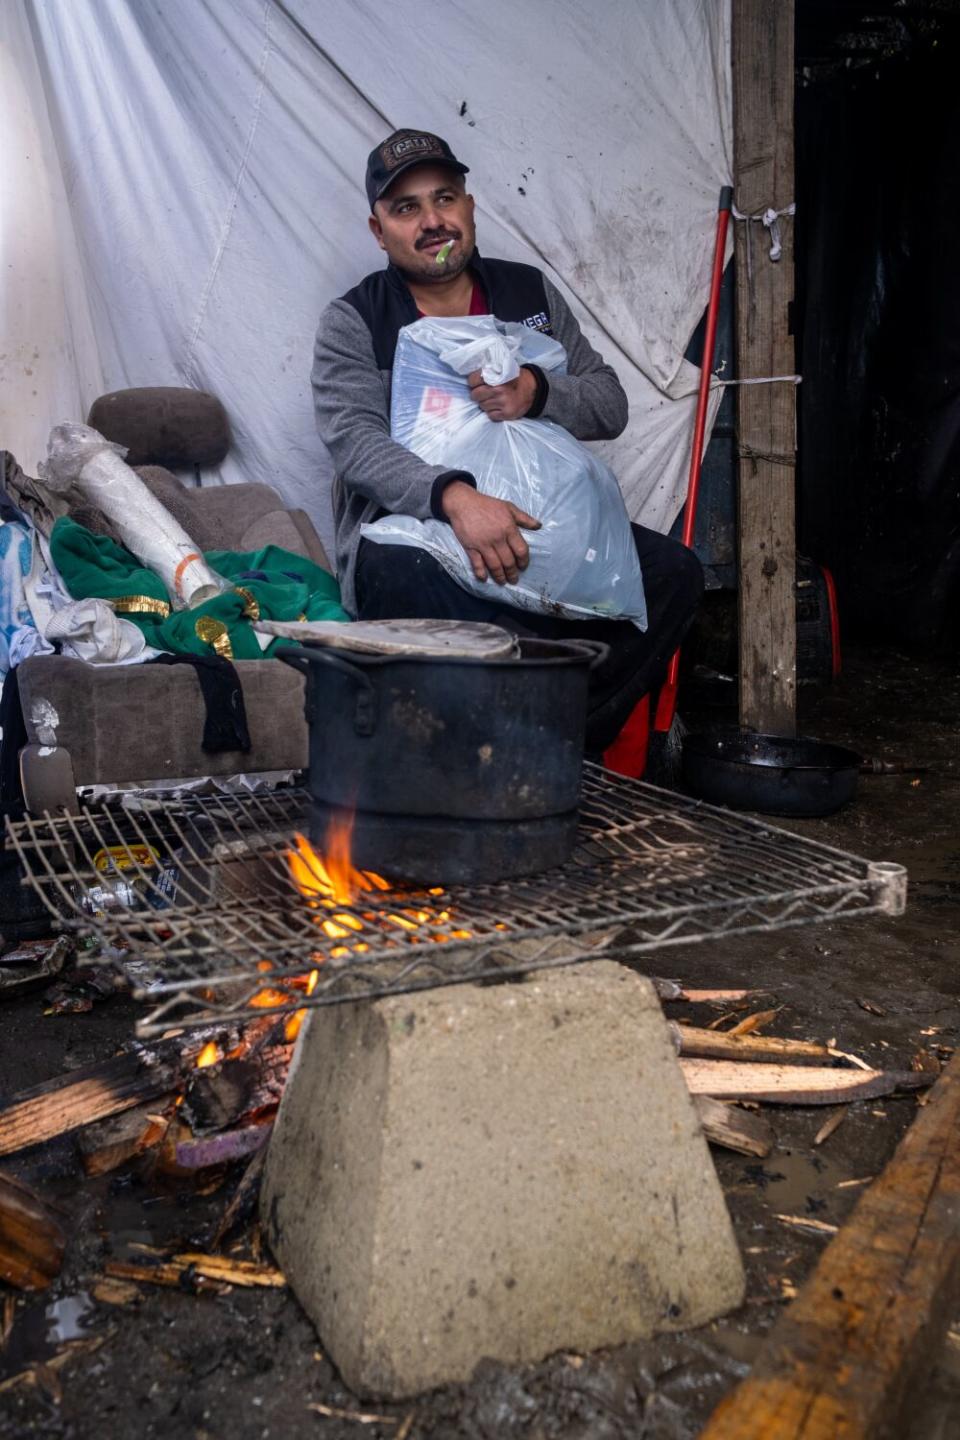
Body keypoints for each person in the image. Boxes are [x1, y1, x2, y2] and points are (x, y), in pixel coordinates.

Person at [312, 128, 703, 753]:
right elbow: (354, 441)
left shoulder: (529, 295)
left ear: (469, 206)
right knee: (392, 573)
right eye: (406, 208)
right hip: (425, 531)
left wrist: (537, 390)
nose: (432, 221)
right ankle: (513, 734)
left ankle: (552, 738)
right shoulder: (357, 319)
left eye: (444, 198)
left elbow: (610, 403)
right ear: (377, 228)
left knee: (675, 575)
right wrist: (456, 500)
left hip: (545, 526)